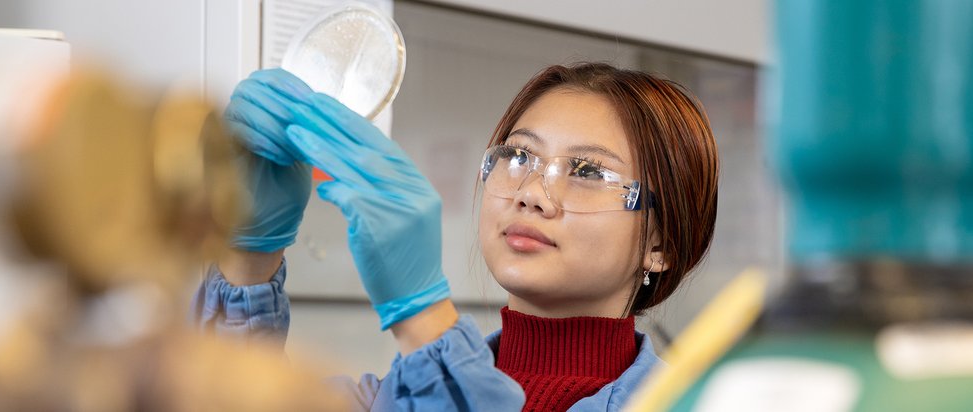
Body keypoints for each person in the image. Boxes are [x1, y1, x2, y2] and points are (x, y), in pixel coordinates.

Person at [193, 62, 718, 411]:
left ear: (661, 243)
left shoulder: (698, 402)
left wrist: (423, 315)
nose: (532, 192)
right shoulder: (392, 399)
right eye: (517, 156)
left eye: (586, 171)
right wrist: (250, 253)